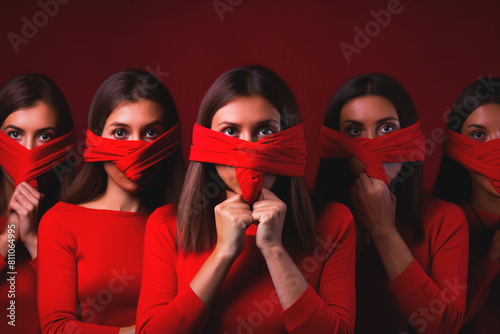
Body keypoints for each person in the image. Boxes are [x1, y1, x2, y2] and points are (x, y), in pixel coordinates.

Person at [136, 65, 356, 333]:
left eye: (265, 131)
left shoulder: (334, 222)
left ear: (291, 139)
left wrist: (275, 250)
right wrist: (223, 254)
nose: (250, 151)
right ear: (205, 141)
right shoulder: (167, 225)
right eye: (230, 132)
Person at [315, 73, 468, 333]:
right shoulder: (312, 220)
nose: (372, 146)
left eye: (386, 128)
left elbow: (442, 326)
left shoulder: (446, 219)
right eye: (355, 131)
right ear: (334, 143)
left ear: (411, 136)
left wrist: (383, 230)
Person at [37, 69, 184, 334]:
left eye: (151, 132)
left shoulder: (186, 222)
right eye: (120, 133)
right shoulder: (61, 221)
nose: (136, 153)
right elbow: (56, 327)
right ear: (94, 139)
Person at [0, 73, 76, 334]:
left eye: (44, 137)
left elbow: (78, 311)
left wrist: (33, 239)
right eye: (15, 135)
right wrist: (10, 235)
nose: (29, 151)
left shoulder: (74, 220)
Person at [434, 77, 500, 333]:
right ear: (454, 145)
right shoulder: (435, 223)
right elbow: (436, 326)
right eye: (479, 135)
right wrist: (490, 260)